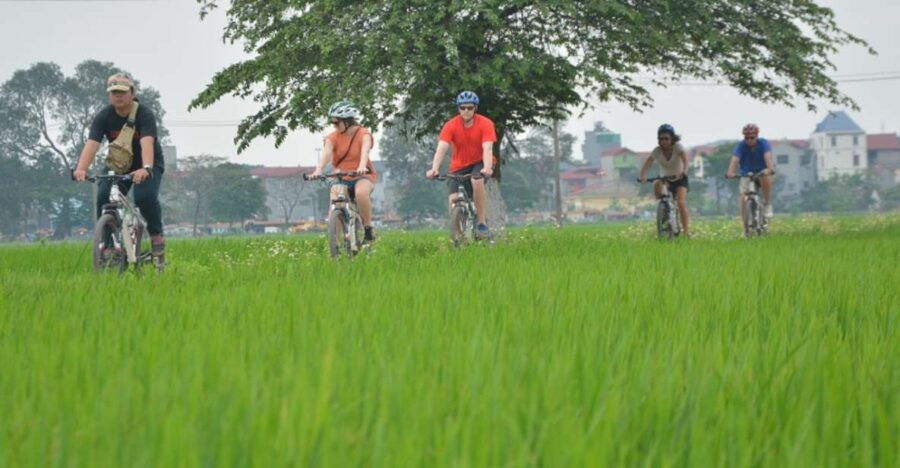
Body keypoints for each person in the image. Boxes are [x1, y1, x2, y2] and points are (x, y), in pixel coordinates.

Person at [73, 73, 166, 267]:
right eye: (114, 92)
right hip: (120, 163)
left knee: (144, 197)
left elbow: (147, 143)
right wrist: (81, 169)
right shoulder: (104, 116)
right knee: (104, 196)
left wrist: (146, 168)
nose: (118, 96)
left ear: (132, 93)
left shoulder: (144, 114)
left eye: (123, 92)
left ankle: (157, 236)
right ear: (109, 95)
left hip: (147, 163)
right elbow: (92, 144)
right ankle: (107, 243)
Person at [425, 91, 496, 238]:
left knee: (477, 181)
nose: (466, 111)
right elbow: (442, 148)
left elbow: (487, 148)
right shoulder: (450, 125)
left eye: (470, 108)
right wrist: (434, 169)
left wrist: (487, 167)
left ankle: (481, 223)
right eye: (463, 108)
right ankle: (457, 235)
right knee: (453, 199)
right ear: (458, 109)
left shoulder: (486, 123)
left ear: (475, 108)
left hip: (480, 162)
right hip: (458, 166)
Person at [310, 100, 377, 242]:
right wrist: (318, 169)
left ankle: (367, 229)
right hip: (341, 176)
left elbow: (365, 151)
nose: (334, 126)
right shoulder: (332, 137)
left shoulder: (363, 134)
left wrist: (361, 166)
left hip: (362, 175)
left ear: (347, 121)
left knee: (360, 193)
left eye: (336, 123)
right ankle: (336, 242)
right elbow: (327, 153)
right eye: (332, 123)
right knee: (336, 202)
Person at [638, 124, 691, 236]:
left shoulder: (678, 147)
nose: (664, 141)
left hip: (680, 178)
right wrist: (642, 176)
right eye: (661, 138)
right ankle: (663, 209)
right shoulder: (657, 151)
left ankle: (686, 232)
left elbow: (686, 160)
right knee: (657, 183)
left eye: (666, 138)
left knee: (681, 202)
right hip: (665, 178)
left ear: (672, 138)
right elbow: (647, 164)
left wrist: (684, 172)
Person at [726, 123, 776, 220]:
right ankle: (745, 227)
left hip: (762, 172)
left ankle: (767, 203)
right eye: (746, 138)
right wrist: (730, 172)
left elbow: (768, 157)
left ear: (757, 136)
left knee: (764, 177)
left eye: (752, 137)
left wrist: (770, 169)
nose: (749, 140)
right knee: (743, 197)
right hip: (746, 173)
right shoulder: (741, 146)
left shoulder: (763, 143)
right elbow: (735, 159)